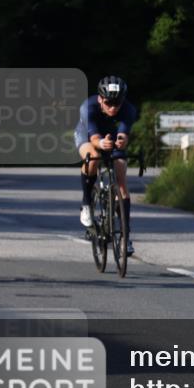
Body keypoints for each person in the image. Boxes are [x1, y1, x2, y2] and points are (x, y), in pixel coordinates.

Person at [75, 76, 138, 255]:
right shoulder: (88, 107)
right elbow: (94, 138)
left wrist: (121, 141)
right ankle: (86, 202)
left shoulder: (128, 109)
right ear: (100, 99)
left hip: (111, 136)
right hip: (88, 135)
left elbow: (124, 135)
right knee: (92, 156)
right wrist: (101, 143)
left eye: (117, 103)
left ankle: (126, 237)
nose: (113, 107)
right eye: (108, 103)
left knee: (120, 171)